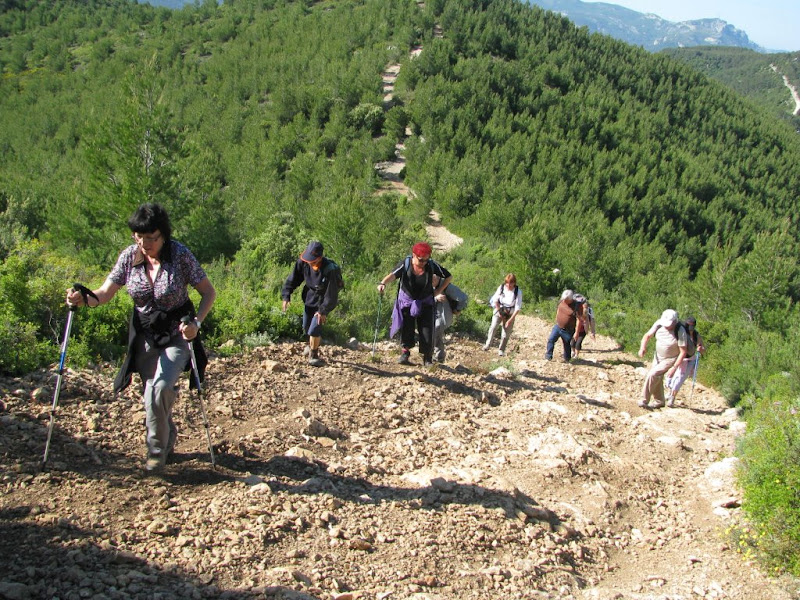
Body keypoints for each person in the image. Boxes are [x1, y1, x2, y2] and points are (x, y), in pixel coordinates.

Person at [66, 203, 216, 473]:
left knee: (160, 387)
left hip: (177, 333)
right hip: (145, 335)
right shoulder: (129, 258)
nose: (145, 243)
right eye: (139, 236)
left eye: (151, 238)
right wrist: (83, 298)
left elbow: (208, 293)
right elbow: (104, 293)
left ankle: (156, 454)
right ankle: (167, 434)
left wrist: (196, 323)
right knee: (151, 394)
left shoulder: (179, 255)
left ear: (163, 235)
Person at [377, 242, 452, 366]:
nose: (423, 263)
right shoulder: (405, 264)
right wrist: (383, 283)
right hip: (407, 301)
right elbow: (393, 275)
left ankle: (427, 358)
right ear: (414, 255)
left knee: (427, 330)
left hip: (426, 302)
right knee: (406, 328)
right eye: (421, 260)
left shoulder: (431, 265)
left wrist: (438, 291)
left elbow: (448, 277)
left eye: (426, 260)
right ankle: (405, 354)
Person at [282, 241, 342, 367]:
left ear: (319, 257)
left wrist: (323, 310)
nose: (310, 262)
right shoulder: (303, 263)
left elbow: (332, 294)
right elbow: (293, 279)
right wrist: (286, 295)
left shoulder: (330, 269)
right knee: (306, 327)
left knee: (315, 328)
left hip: (324, 299)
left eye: (313, 261)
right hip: (309, 297)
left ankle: (314, 355)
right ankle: (311, 346)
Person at [637, 309, 687, 409]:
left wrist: (674, 367)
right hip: (658, 356)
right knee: (657, 377)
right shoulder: (659, 324)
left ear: (675, 321)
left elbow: (683, 352)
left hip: (670, 359)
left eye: (669, 324)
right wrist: (642, 347)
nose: (667, 326)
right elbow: (647, 336)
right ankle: (659, 401)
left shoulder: (680, 330)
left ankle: (644, 400)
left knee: (652, 374)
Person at [665, 316, 705, 406]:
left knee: (680, 378)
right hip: (679, 358)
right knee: (673, 376)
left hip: (690, 359)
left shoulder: (696, 335)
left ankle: (672, 397)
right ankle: (670, 392)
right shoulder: (681, 332)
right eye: (688, 325)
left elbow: (702, 347)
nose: (689, 327)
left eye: (692, 325)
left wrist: (700, 348)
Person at [483, 273, 522, 356]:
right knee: (493, 327)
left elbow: (517, 308)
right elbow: (495, 300)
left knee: (506, 333)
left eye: (511, 283)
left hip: (510, 314)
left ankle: (501, 350)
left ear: (514, 283)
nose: (509, 285)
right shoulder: (501, 288)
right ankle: (487, 345)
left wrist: (510, 320)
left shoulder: (518, 292)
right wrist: (499, 311)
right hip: (499, 310)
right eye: (507, 283)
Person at [432, 282, 468, 363]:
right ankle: (437, 357)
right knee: (435, 335)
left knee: (435, 331)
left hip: (443, 315)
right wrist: (435, 298)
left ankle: (435, 357)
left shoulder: (447, 286)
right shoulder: (425, 283)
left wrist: (457, 309)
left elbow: (463, 298)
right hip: (430, 315)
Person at [544, 289, 580, 362]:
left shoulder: (576, 306)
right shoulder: (561, 301)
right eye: (564, 299)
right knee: (551, 339)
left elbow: (579, 320)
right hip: (558, 326)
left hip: (568, 330)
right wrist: (557, 318)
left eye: (566, 299)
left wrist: (576, 332)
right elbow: (558, 309)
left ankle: (567, 359)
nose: (565, 300)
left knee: (566, 344)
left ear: (570, 299)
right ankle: (548, 356)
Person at [571, 294, 595, 359]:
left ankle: (576, 355)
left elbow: (592, 322)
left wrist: (592, 333)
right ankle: (573, 352)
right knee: (572, 342)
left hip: (583, 329)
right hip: (575, 328)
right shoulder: (576, 309)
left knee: (578, 343)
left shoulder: (590, 311)